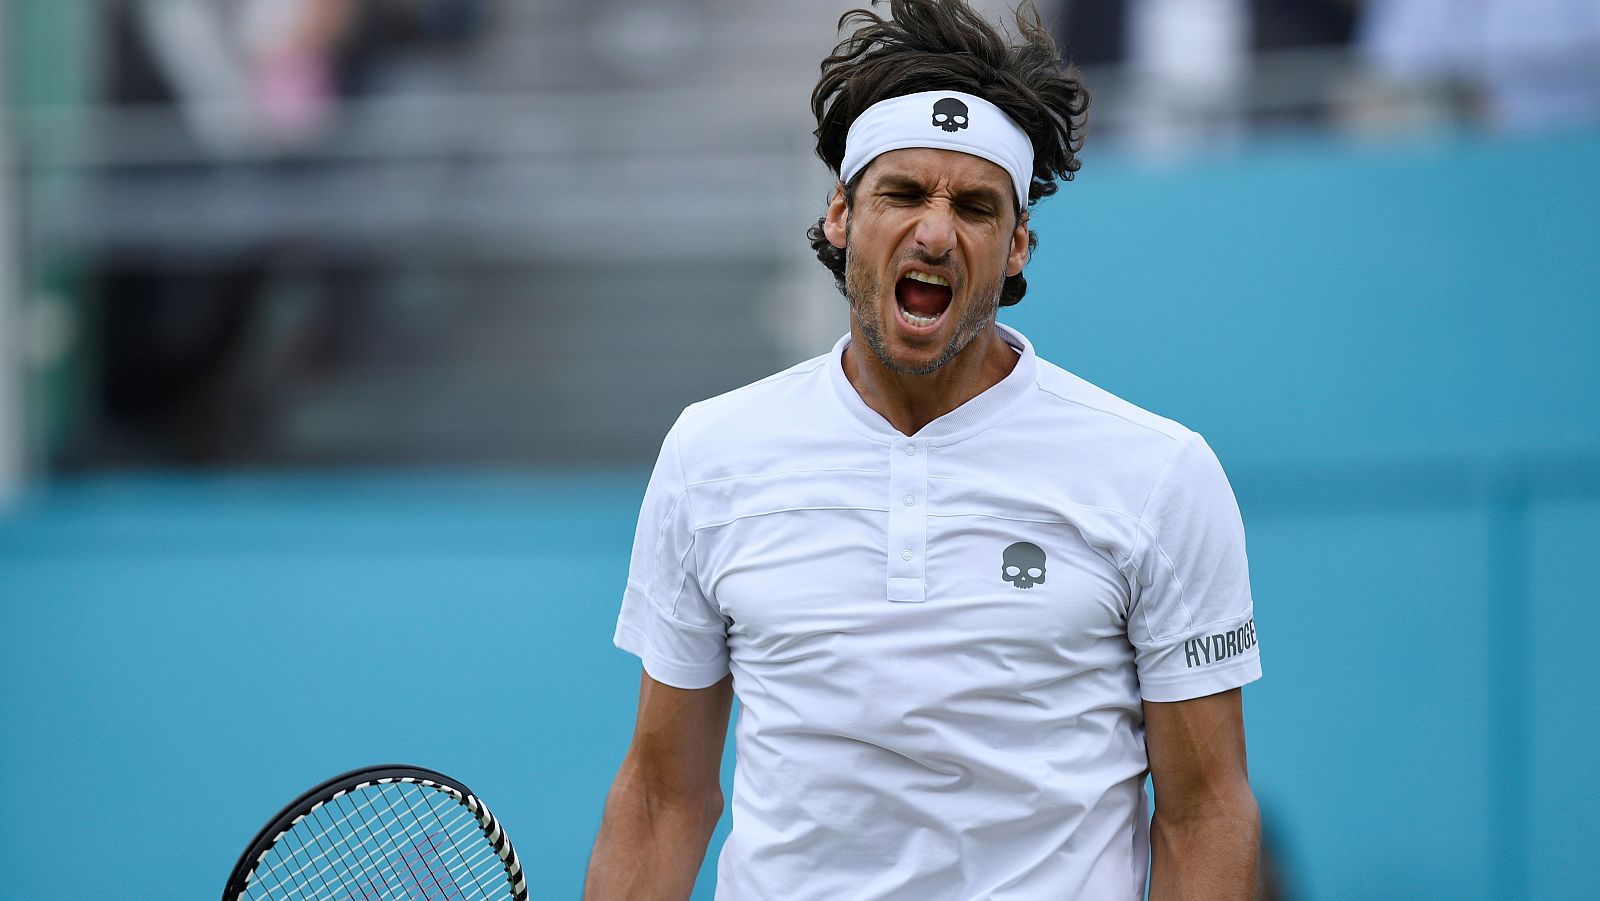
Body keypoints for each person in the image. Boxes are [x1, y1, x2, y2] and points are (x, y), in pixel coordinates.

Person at [584, 1, 1261, 897]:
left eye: (975, 206)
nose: (935, 232)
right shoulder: (712, 452)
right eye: (902, 193)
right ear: (839, 215)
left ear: (1016, 244)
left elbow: (1204, 813)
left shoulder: (1161, 473)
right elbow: (664, 798)